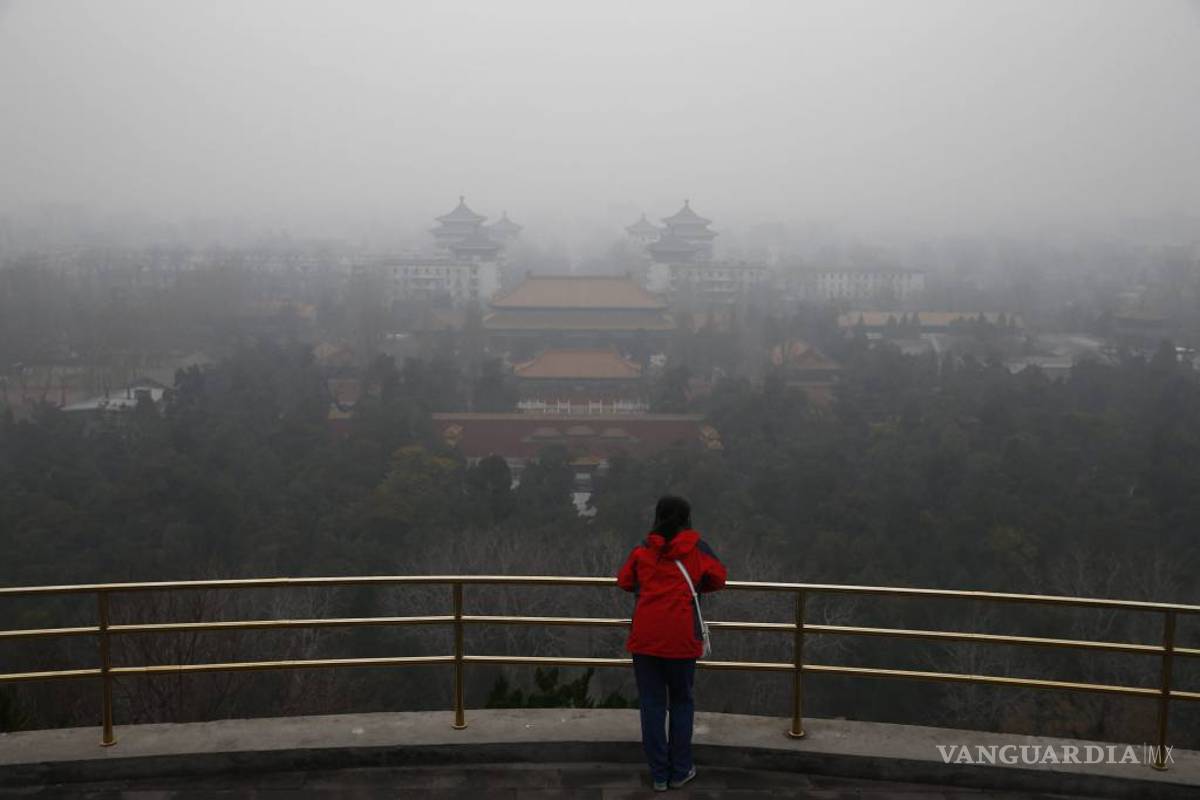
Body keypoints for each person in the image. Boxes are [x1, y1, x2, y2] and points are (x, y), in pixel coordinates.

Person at [616, 495, 727, 792]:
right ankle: (680, 770)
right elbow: (719, 578)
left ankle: (659, 775)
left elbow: (625, 581)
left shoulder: (643, 548)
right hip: (681, 638)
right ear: (686, 518)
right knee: (681, 702)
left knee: (652, 705)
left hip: (646, 638)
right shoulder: (697, 548)